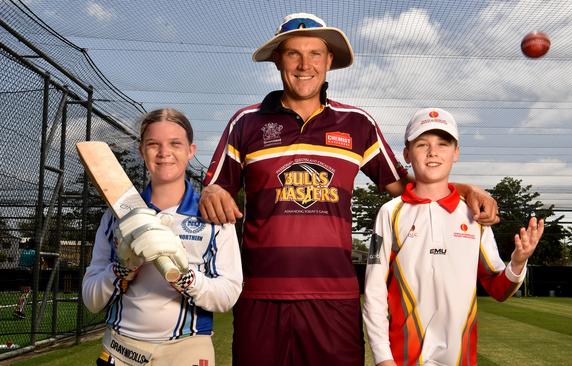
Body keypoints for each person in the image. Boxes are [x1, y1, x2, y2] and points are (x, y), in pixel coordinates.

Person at [199, 13, 499, 366]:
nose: (304, 64)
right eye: (294, 53)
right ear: (279, 59)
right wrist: (211, 193)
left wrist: (465, 189)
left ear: (329, 62)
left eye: (315, 54)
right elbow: (214, 189)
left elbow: (403, 187)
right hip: (261, 295)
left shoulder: (357, 124)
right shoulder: (245, 122)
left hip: (335, 297)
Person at [363, 107, 545, 366]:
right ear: (406, 153)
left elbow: (499, 289)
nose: (433, 152)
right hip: (403, 358)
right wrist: (383, 358)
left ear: (456, 152)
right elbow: (374, 291)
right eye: (422, 144)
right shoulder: (389, 214)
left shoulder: (474, 215)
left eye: (443, 144)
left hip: (460, 358)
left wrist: (517, 262)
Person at [82, 108, 242, 366]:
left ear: (191, 150)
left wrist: (185, 277)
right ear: (141, 150)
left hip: (187, 349)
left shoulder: (213, 216)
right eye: (153, 144)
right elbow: (91, 299)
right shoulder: (115, 217)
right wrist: (123, 270)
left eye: (175, 144)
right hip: (120, 350)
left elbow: (228, 294)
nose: (164, 152)